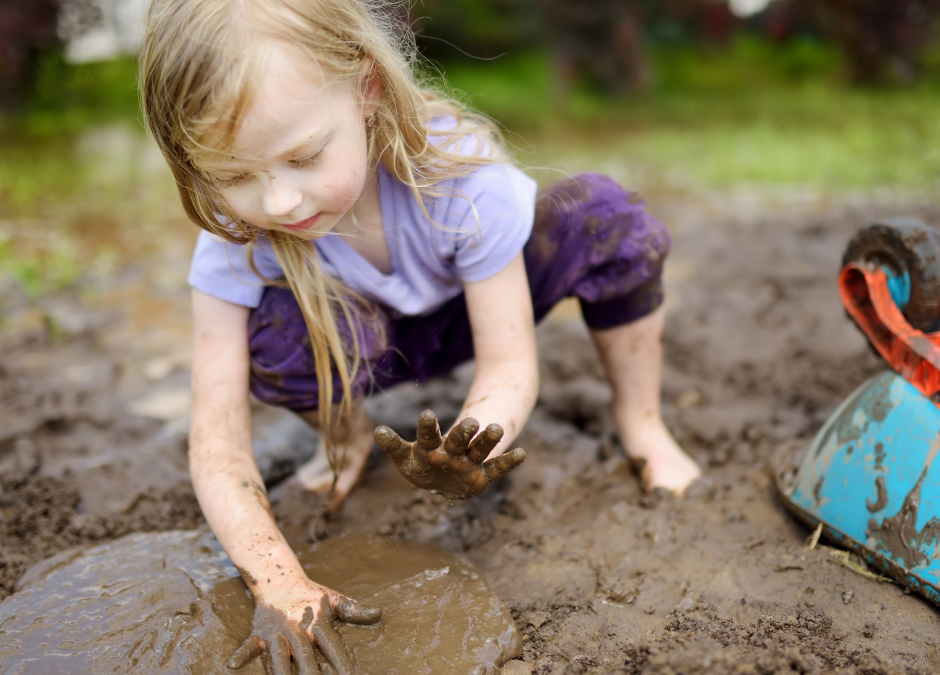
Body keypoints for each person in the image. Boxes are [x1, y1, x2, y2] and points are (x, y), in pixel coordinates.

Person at [139, 0, 701, 671]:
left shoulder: (461, 180)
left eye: (304, 155)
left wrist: (476, 435)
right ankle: (346, 441)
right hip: (356, 341)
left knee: (610, 217)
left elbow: (510, 365)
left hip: (478, 309)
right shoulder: (239, 244)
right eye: (233, 176)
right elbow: (218, 440)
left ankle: (643, 425)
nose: (280, 203)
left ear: (367, 88)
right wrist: (278, 578)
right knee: (277, 332)